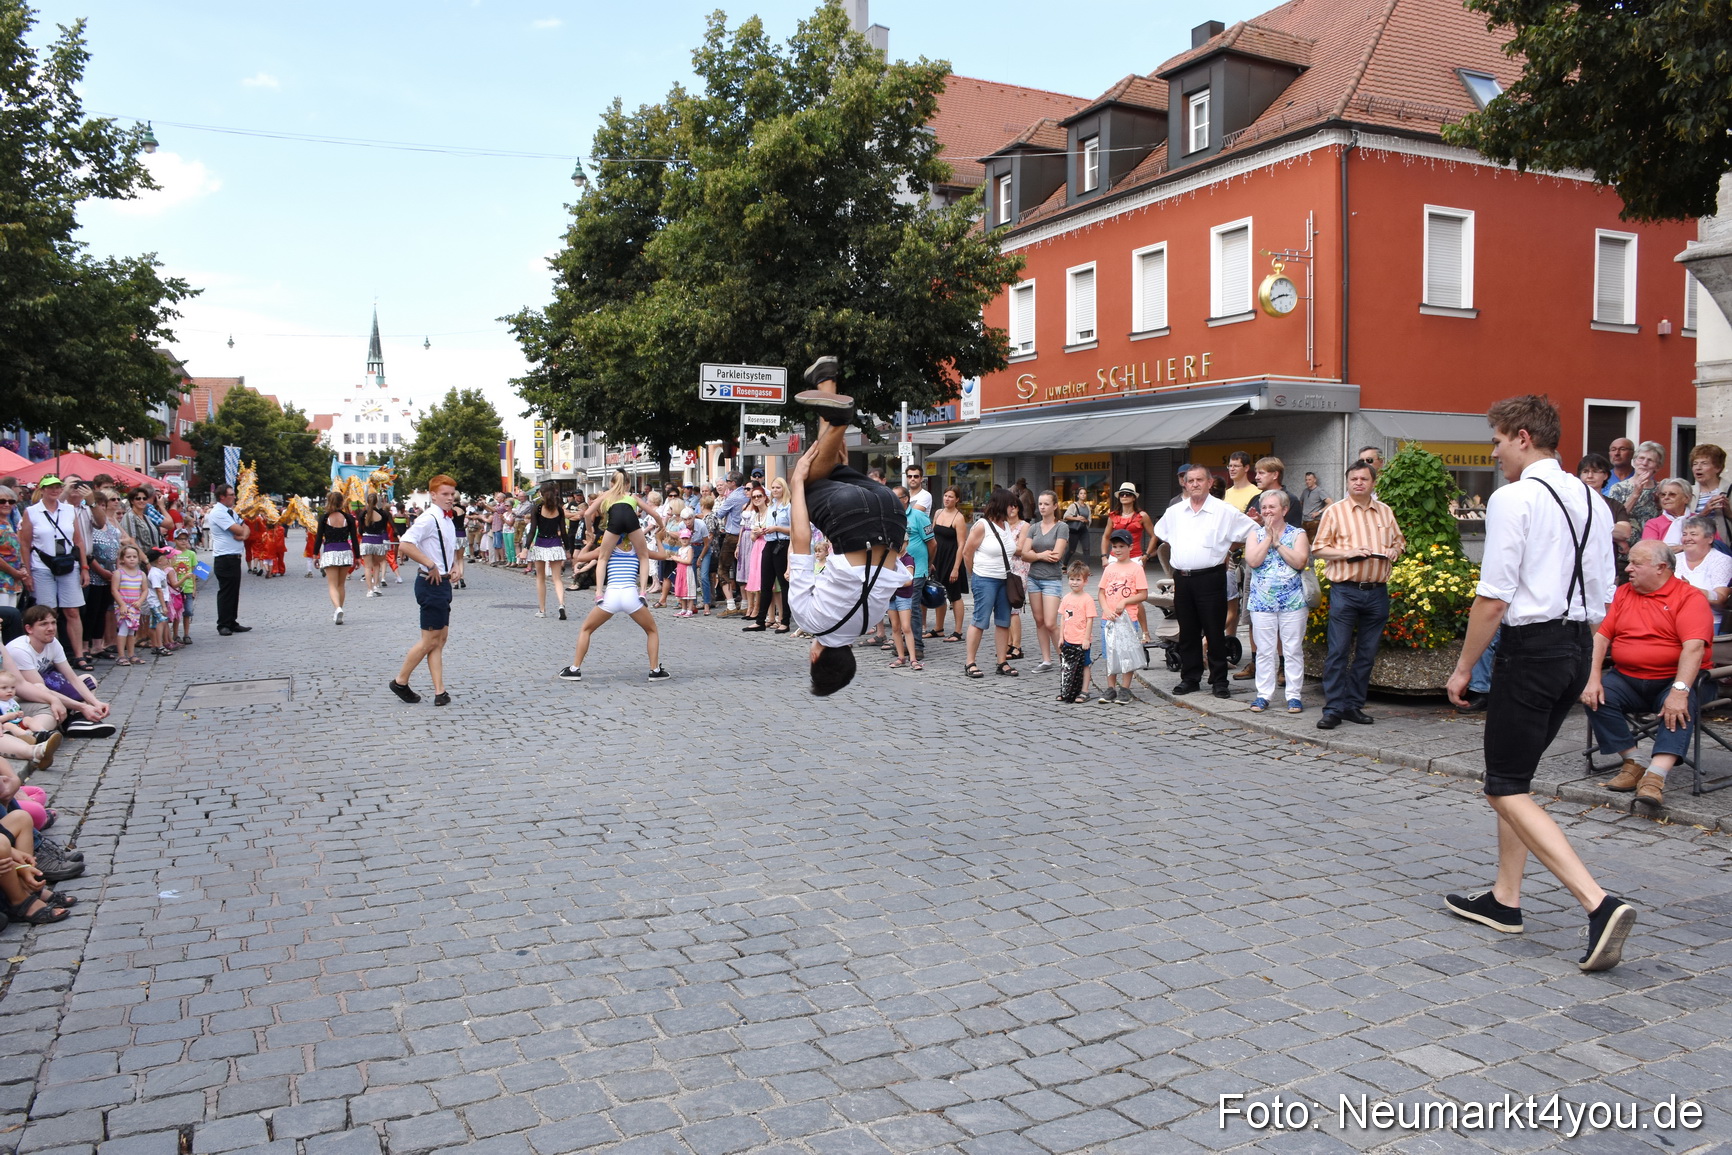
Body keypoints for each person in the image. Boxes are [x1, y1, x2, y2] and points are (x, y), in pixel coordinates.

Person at [1444, 393, 1634, 973]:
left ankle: (1598, 903)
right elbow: (1605, 591)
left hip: (1532, 650)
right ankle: (1506, 899)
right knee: (1517, 779)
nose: (1495, 452)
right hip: (1575, 646)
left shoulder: (1515, 497)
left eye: (1498, 441)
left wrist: (1461, 667)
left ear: (1523, 436)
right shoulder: (1594, 500)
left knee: (1501, 786)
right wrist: (1591, 665)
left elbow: (1494, 595)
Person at [784, 356, 912, 696]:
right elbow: (800, 543)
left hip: (891, 511)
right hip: (851, 523)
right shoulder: (809, 622)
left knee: (830, 464)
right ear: (814, 657)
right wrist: (796, 486)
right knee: (808, 477)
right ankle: (839, 418)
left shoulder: (868, 624)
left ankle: (826, 380)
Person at [1585, 539, 1711, 811]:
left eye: (1636, 564)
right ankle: (1634, 762)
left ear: (1661, 567)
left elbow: (1694, 647)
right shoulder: (1624, 593)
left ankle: (1655, 778)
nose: (1628, 568)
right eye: (1629, 562)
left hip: (1675, 678)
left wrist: (1679, 690)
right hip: (1628, 677)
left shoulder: (1689, 598)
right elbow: (1601, 638)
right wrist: (1592, 678)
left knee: (1680, 704)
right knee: (1594, 693)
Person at [1312, 460, 1405, 729]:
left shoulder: (1385, 512)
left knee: (1366, 653)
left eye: (1364, 479)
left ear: (1373, 482)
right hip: (1346, 590)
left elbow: (1399, 541)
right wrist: (1346, 553)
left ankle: (1353, 705)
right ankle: (1332, 709)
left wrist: (1394, 552)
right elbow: (1318, 548)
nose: (1358, 483)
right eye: (1354, 479)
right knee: (1338, 651)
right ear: (1347, 482)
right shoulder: (1335, 512)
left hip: (1377, 592)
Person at [1150, 463, 1255, 698]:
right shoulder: (1176, 512)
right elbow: (1161, 533)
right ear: (1185, 484)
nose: (1195, 484)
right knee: (1187, 632)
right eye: (1191, 481)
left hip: (1211, 578)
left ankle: (1219, 681)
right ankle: (1190, 678)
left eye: (1200, 480)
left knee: (1215, 631)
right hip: (1183, 579)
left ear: (1210, 483)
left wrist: (1230, 546)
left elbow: (1253, 531)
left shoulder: (1224, 510)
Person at [390, 475, 464, 706]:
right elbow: (405, 544)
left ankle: (440, 692)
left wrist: (452, 566)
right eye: (445, 494)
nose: (450, 498)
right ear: (433, 495)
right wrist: (431, 564)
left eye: (452, 494)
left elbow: (443, 549)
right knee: (429, 640)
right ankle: (400, 681)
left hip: (441, 583)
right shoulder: (429, 518)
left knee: (439, 639)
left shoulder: (446, 519)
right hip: (430, 585)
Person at [1243, 490, 1311, 714]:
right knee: (1264, 650)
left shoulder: (1298, 534)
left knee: (1292, 650)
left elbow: (1300, 561)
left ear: (1284, 510)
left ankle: (1294, 695)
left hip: (1293, 602)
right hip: (1262, 602)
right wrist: (1268, 539)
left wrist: (1279, 543)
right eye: (1264, 508)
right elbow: (1253, 561)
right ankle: (1263, 694)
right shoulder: (1255, 534)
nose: (1267, 511)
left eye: (1272, 507)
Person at [17, 475, 93, 671]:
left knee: (72, 610)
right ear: (41, 489)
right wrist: (27, 572)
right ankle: (52, 657)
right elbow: (25, 544)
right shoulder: (32, 512)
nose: (54, 490)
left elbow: (78, 541)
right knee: (48, 613)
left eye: (57, 487)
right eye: (49, 487)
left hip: (67, 564)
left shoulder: (68, 510)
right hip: (42, 566)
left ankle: (78, 655)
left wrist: (84, 567)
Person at [7, 605, 113, 736]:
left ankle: (77, 721)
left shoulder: (53, 642)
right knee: (50, 709)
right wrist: (83, 706)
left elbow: (72, 677)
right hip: (16, 696)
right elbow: (40, 690)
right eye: (43, 624)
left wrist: (95, 703)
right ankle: (32, 735)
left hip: (46, 689)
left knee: (88, 680)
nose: (51, 628)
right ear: (29, 629)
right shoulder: (19, 650)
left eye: (53, 623)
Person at [959, 489, 1019, 679]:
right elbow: (967, 553)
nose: (1013, 508)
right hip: (985, 578)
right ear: (1001, 504)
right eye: (1010, 504)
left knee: (1003, 621)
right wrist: (974, 574)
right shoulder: (982, 525)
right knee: (980, 620)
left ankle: (1002, 661)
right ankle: (970, 662)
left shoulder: (1006, 526)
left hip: (1004, 579)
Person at [1096, 529, 1149, 705]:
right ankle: (1110, 688)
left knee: (1126, 653)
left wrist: (1125, 601)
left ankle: (1125, 688)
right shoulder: (1109, 568)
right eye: (1114, 546)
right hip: (1108, 618)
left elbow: (1143, 594)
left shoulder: (1136, 569)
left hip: (1128, 618)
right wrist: (1105, 609)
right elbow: (1101, 593)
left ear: (1130, 547)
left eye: (1121, 546)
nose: (1117, 550)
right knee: (1110, 653)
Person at [746, 477, 793, 632]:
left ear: (784, 489)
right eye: (773, 487)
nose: (775, 490)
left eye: (778, 487)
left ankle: (785, 621)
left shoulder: (788, 506)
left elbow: (794, 530)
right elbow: (768, 525)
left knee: (783, 584)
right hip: (769, 542)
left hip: (783, 543)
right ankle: (761, 620)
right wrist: (763, 530)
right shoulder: (771, 506)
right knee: (765, 584)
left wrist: (777, 528)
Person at [896, 485, 935, 663]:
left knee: (912, 605)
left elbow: (932, 544)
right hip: (896, 570)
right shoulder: (893, 517)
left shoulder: (919, 516)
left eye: (896, 497)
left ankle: (917, 646)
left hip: (917, 568)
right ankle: (904, 642)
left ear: (905, 499)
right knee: (900, 606)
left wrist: (928, 564)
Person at [524, 483, 574, 620]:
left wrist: (525, 548)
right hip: (556, 544)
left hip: (541, 544)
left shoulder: (537, 508)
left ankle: (542, 609)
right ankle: (561, 604)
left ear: (541, 493)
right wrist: (568, 549)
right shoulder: (559, 509)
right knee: (557, 579)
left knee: (541, 578)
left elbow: (533, 530)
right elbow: (564, 532)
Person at [1673, 516, 1732, 630]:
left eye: (1693, 534)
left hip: (1709, 622)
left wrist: (1689, 589)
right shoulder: (1673, 559)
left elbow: (1720, 598)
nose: (1687, 538)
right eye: (1684, 534)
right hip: (1675, 620)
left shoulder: (1721, 560)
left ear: (1710, 538)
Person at [207, 484, 250, 635]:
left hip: (234, 556)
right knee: (226, 591)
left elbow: (245, 527)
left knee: (234, 590)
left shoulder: (230, 511)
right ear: (222, 497)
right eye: (231, 494)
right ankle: (223, 624)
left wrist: (244, 535)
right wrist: (242, 533)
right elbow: (238, 529)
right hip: (224, 557)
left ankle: (232, 621)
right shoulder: (218, 512)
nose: (234, 497)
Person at [315, 491, 359, 626]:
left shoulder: (324, 518)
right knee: (341, 584)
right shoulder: (349, 518)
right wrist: (357, 556)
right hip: (345, 550)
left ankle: (337, 609)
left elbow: (318, 537)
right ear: (342, 502)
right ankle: (340, 609)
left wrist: (315, 554)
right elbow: (354, 538)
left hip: (330, 551)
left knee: (332, 585)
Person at [1056, 560, 1097, 703]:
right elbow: (1063, 618)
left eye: (1078, 579)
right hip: (1068, 638)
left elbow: (1090, 620)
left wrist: (1086, 639)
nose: (1074, 582)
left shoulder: (1088, 600)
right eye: (1072, 579)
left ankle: (1084, 691)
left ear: (1085, 581)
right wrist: (1061, 637)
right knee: (1067, 665)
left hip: (1081, 639)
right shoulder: (1066, 598)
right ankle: (1067, 689)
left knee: (1084, 664)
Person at [932, 487, 969, 643]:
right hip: (937, 558)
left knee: (954, 595)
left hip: (952, 559)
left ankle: (958, 631)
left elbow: (962, 545)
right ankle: (938, 628)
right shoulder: (938, 513)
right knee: (939, 592)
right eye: (945, 495)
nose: (947, 499)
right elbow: (931, 536)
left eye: (951, 497)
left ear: (957, 500)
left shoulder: (959, 518)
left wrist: (956, 568)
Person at [1607, 440, 1665, 537]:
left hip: (1651, 544)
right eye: (1641, 458)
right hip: (1625, 544)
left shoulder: (1661, 489)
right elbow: (1613, 518)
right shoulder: (1618, 488)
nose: (1644, 463)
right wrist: (1635, 494)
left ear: (1658, 467)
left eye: (1650, 460)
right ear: (1634, 461)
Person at [714, 473, 748, 616]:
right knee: (742, 569)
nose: (726, 483)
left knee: (723, 569)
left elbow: (719, 514)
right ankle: (745, 603)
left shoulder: (733, 497)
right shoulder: (747, 494)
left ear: (733, 483)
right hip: (745, 536)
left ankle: (731, 604)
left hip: (732, 535)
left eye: (727, 481)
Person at [1635, 478, 1691, 546]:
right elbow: (1650, 550)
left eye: (1672, 494)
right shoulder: (1653, 524)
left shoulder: (1698, 520)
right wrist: (1685, 548)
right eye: (1663, 495)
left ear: (1686, 499)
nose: (1666, 497)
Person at [358, 493, 394, 598]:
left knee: (368, 567)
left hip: (367, 540)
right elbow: (384, 528)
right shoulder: (383, 514)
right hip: (378, 541)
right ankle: (376, 586)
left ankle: (369, 590)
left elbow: (360, 530)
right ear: (377, 501)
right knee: (376, 565)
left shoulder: (363, 514)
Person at [1063, 487, 1093, 568]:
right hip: (1074, 530)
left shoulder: (1087, 506)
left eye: (1084, 493)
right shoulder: (1074, 505)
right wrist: (1077, 518)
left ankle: (1087, 568)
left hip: (1083, 529)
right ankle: (1064, 565)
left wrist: (1085, 520)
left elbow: (1089, 519)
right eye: (1081, 493)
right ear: (1078, 495)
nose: (1083, 495)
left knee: (1086, 549)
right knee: (1072, 550)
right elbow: (1065, 516)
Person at [1300, 472, 1330, 539]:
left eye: (1309, 479)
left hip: (1314, 522)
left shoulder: (1319, 491)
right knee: (1304, 542)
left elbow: (1330, 503)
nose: (1307, 481)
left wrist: (1318, 512)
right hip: (1304, 521)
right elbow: (1301, 502)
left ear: (1315, 480)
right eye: (1306, 480)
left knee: (1312, 543)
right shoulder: (1305, 491)